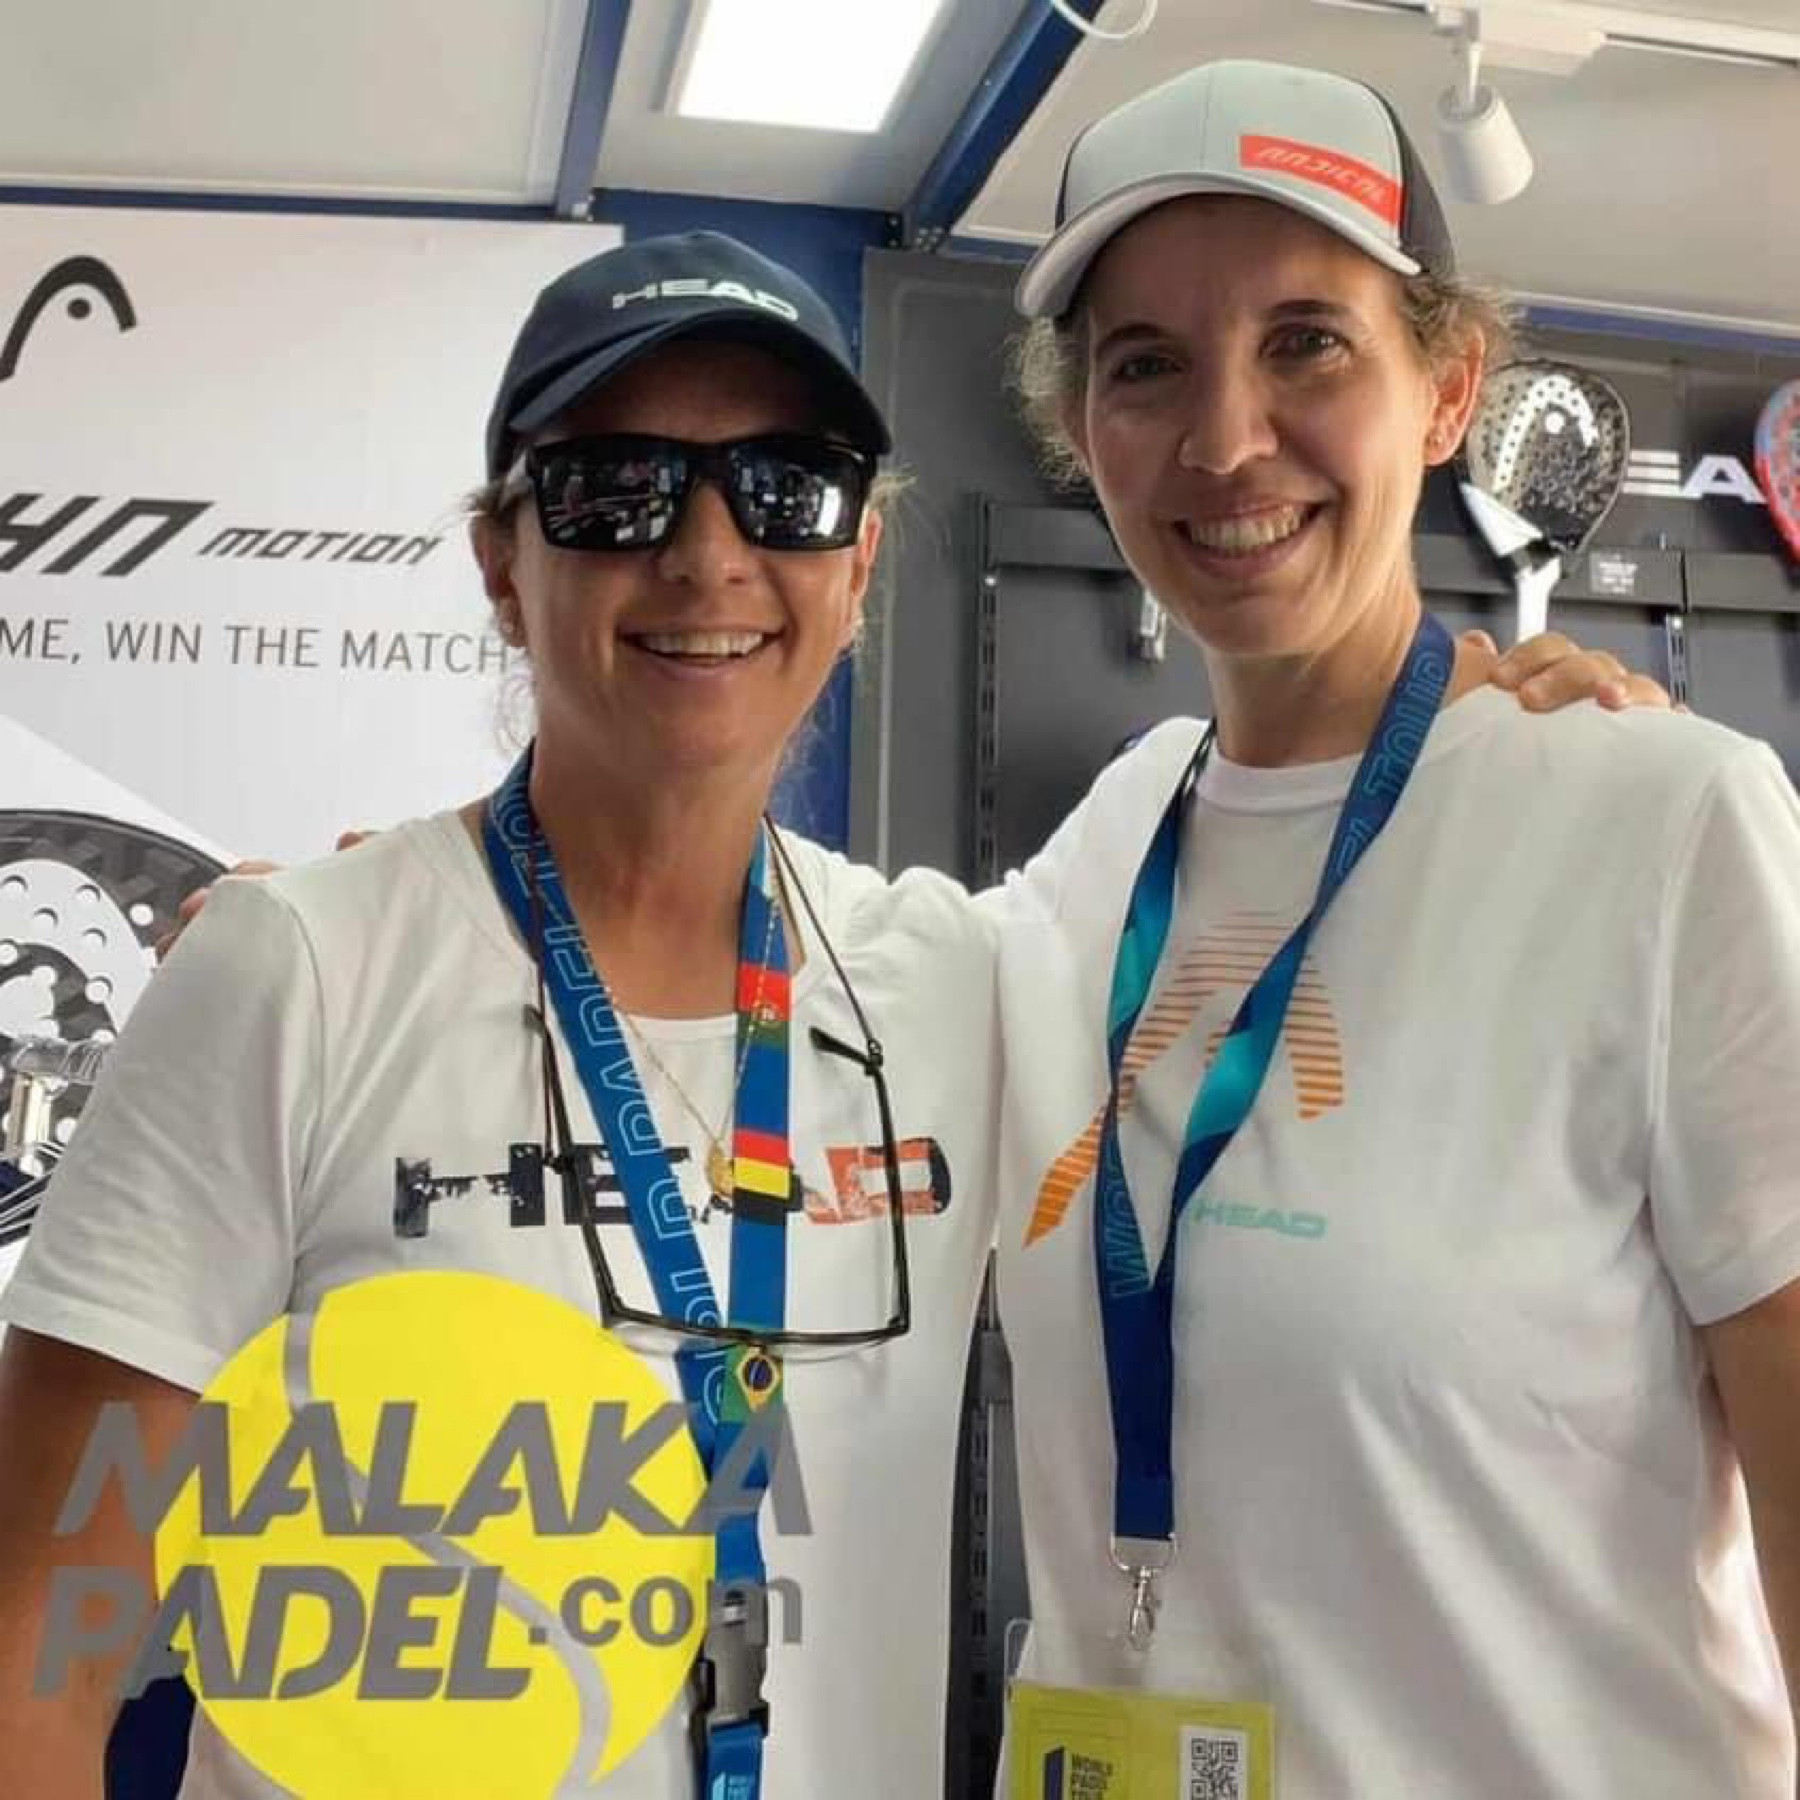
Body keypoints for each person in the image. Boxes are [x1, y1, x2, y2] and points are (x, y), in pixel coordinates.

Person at [0, 223, 1663, 1800]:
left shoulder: (962, 983)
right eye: (613, 489)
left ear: (857, 565)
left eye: (784, 490)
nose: (707, 553)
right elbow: (36, 1662)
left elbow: (1279, 897)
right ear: (503, 565)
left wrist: (1477, 721)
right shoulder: (297, 975)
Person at [993, 57, 1800, 1797]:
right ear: (1083, 430)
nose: (1226, 439)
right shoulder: (1096, 853)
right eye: (1146, 365)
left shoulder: (1665, 826)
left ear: (1446, 390)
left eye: (1307, 343)